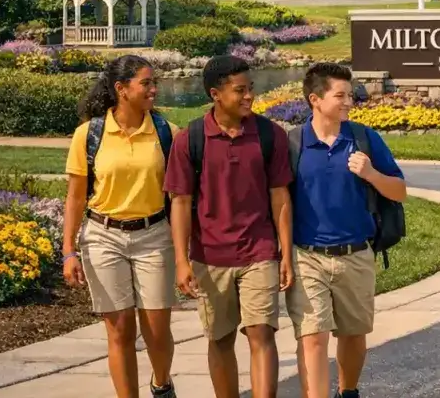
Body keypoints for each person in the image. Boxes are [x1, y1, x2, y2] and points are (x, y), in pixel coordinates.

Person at [164, 55, 294, 398]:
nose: (249, 96)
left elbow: (280, 197)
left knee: (261, 333)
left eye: (250, 88)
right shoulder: (190, 139)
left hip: (260, 251)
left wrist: (285, 254)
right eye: (240, 90)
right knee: (219, 338)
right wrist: (181, 261)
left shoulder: (270, 135)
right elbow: (179, 202)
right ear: (215, 94)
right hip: (209, 256)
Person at [286, 63, 407, 398]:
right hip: (307, 256)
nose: (348, 102)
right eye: (339, 95)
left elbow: (399, 192)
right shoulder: (292, 144)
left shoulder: (364, 139)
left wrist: (371, 174)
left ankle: (349, 391)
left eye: (349, 95)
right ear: (315, 99)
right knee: (312, 337)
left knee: (353, 335)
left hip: (356, 253)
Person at [61, 55, 177, 398]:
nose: (154, 89)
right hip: (103, 237)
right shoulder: (89, 135)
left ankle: (161, 383)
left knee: (157, 331)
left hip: (154, 235)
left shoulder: (164, 131)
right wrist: (69, 250)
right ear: (121, 89)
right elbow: (75, 198)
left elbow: (183, 194)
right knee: (120, 331)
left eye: (153, 82)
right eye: (146, 83)